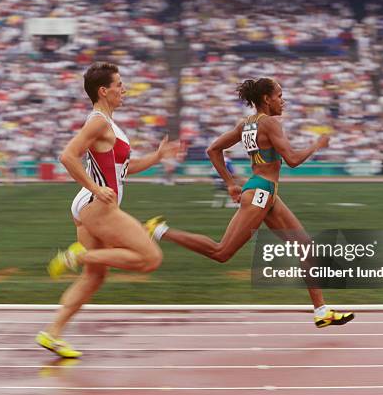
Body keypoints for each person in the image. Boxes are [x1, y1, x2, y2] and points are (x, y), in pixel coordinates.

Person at [146, 77, 354, 328]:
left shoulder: (246, 125)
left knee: (305, 247)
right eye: (279, 95)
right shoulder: (269, 124)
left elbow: (213, 149)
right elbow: (292, 160)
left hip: (264, 192)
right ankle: (160, 230)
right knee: (221, 252)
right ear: (266, 99)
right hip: (260, 193)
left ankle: (321, 310)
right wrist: (317, 145)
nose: (282, 100)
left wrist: (231, 183)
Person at [36, 62, 180, 358]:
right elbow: (68, 156)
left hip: (88, 206)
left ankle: (52, 333)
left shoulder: (109, 125)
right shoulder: (99, 122)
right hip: (98, 206)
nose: (124, 89)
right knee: (150, 258)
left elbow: (123, 169)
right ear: (104, 91)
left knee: (94, 276)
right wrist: (94, 187)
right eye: (119, 84)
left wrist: (156, 156)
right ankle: (76, 254)